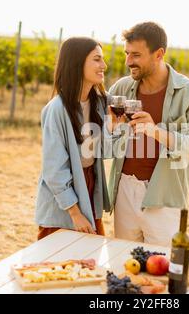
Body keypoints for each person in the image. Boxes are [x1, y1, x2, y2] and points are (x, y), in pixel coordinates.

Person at [107, 22, 189, 246]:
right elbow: (101, 130)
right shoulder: (121, 89)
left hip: (164, 194)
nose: (128, 61)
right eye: (126, 53)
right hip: (125, 189)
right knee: (124, 265)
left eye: (136, 55)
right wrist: (110, 126)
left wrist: (156, 132)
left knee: (161, 268)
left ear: (159, 54)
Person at [35, 37, 110, 240]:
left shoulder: (101, 103)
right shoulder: (57, 109)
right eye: (97, 59)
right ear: (77, 63)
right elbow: (53, 170)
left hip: (90, 186)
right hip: (64, 198)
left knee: (89, 263)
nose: (104, 65)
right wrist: (75, 214)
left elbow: (108, 149)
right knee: (54, 266)